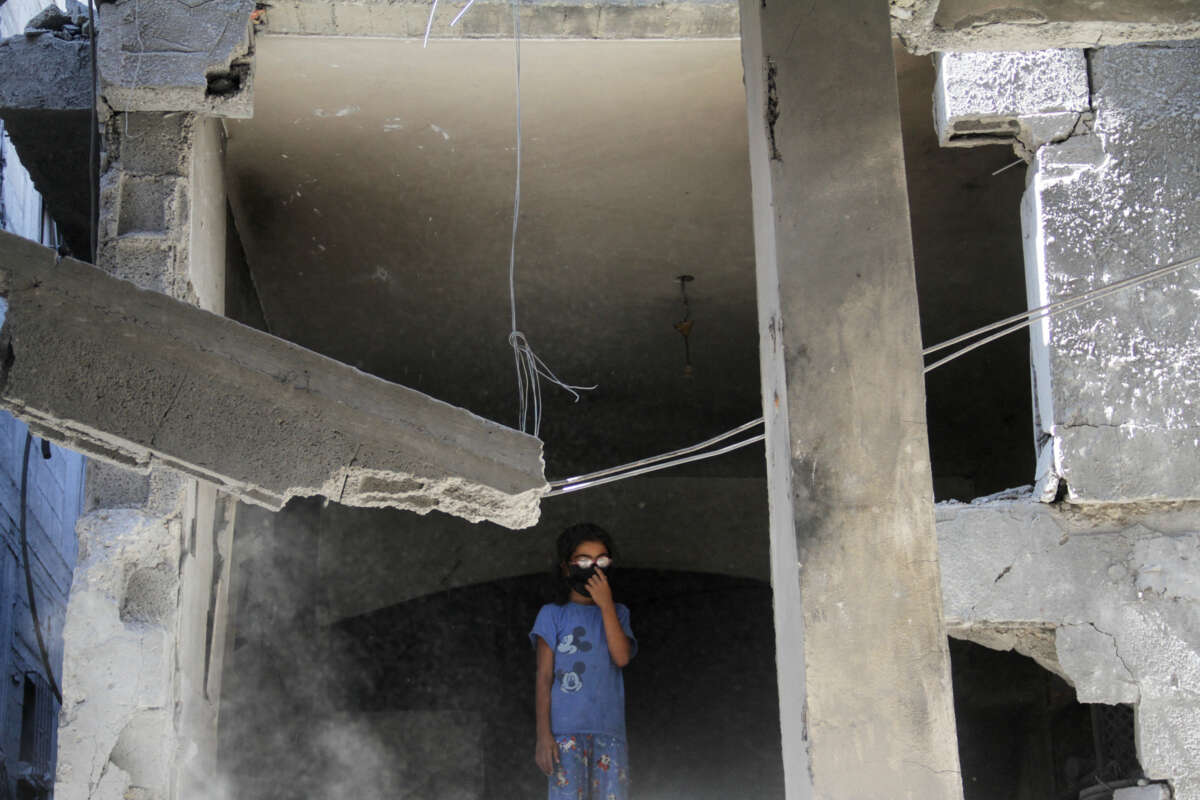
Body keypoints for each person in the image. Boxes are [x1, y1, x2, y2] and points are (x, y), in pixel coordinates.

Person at [530, 523, 636, 800]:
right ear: (567, 567)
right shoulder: (552, 615)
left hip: (609, 732)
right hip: (564, 734)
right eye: (584, 560)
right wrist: (543, 736)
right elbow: (543, 677)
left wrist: (606, 604)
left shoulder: (619, 612)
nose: (593, 568)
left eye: (601, 560)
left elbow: (622, 657)